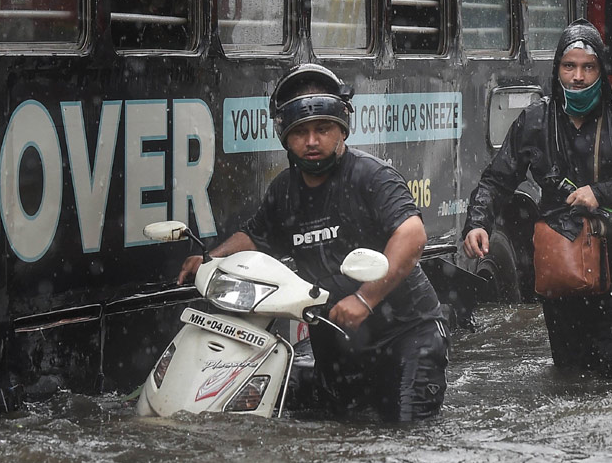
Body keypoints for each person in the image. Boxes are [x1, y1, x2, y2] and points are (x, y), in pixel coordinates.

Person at [178, 63, 448, 423]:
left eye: (323, 129)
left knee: (405, 441)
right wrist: (210, 258)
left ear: (342, 132)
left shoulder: (371, 176)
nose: (311, 141)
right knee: (337, 441)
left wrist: (365, 298)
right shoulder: (283, 191)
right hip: (337, 342)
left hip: (407, 336)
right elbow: (256, 238)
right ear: (285, 138)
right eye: (300, 132)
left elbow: (413, 236)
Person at [461, 19, 612, 379]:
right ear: (557, 70)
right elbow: (497, 180)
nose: (578, 77)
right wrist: (478, 223)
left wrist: (602, 192)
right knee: (570, 379)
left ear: (601, 71)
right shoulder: (535, 120)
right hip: (563, 273)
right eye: (569, 66)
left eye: (588, 67)